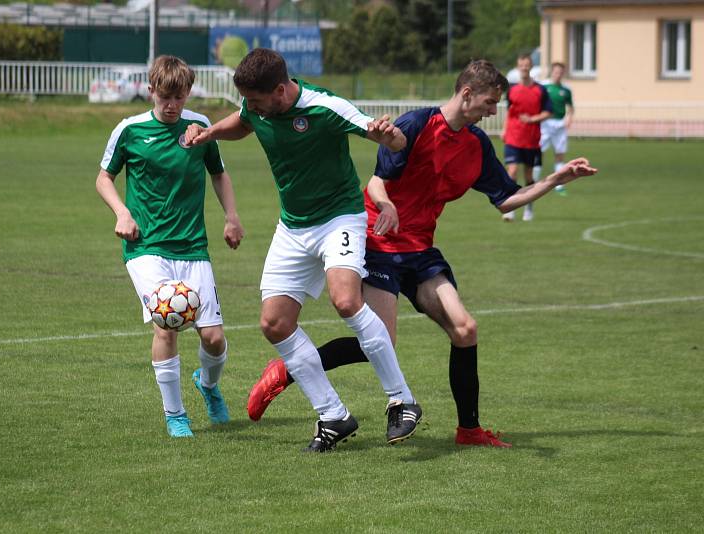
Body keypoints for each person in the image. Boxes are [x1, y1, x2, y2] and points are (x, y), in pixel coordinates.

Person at [246, 59, 598, 448]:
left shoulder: (476, 145)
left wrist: (554, 179)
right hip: (380, 245)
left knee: (465, 329)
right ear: (467, 94)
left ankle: (469, 431)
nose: (493, 111)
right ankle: (286, 371)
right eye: (489, 101)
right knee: (381, 342)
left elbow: (506, 199)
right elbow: (376, 183)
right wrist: (387, 206)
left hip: (421, 251)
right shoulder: (416, 125)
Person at [185, 48, 421, 452]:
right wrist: (209, 134)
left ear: (280, 90)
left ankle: (402, 401)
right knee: (274, 323)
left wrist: (389, 135)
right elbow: (243, 122)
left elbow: (392, 140)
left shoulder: (325, 107)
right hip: (293, 227)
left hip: (338, 219)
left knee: (346, 301)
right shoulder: (256, 106)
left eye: (257, 100)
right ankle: (333, 415)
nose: (252, 107)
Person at [95, 55, 244, 438]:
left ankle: (208, 385)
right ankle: (175, 414)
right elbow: (103, 179)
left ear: (187, 93)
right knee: (168, 325)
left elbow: (219, 174)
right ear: (151, 91)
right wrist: (122, 213)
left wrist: (231, 217)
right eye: (164, 96)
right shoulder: (130, 130)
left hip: (193, 246)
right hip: (146, 248)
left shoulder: (200, 127)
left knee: (213, 337)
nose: (171, 104)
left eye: (178, 97)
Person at [501, 53, 553, 221]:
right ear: (518, 67)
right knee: (512, 172)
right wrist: (504, 129)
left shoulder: (540, 90)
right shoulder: (512, 89)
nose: (524, 68)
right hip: (513, 137)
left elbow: (548, 112)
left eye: (527, 65)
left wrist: (532, 119)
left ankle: (528, 209)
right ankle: (510, 209)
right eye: (521, 65)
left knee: (529, 176)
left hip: (531, 139)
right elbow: (510, 111)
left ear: (531, 67)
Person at [535, 62, 575, 196]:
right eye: (556, 72)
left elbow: (570, 107)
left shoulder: (566, 89)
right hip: (545, 124)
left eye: (560, 72)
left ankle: (559, 185)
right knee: (538, 151)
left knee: (560, 154)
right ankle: (535, 181)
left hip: (560, 124)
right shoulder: (543, 86)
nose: (558, 75)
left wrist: (569, 118)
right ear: (552, 72)